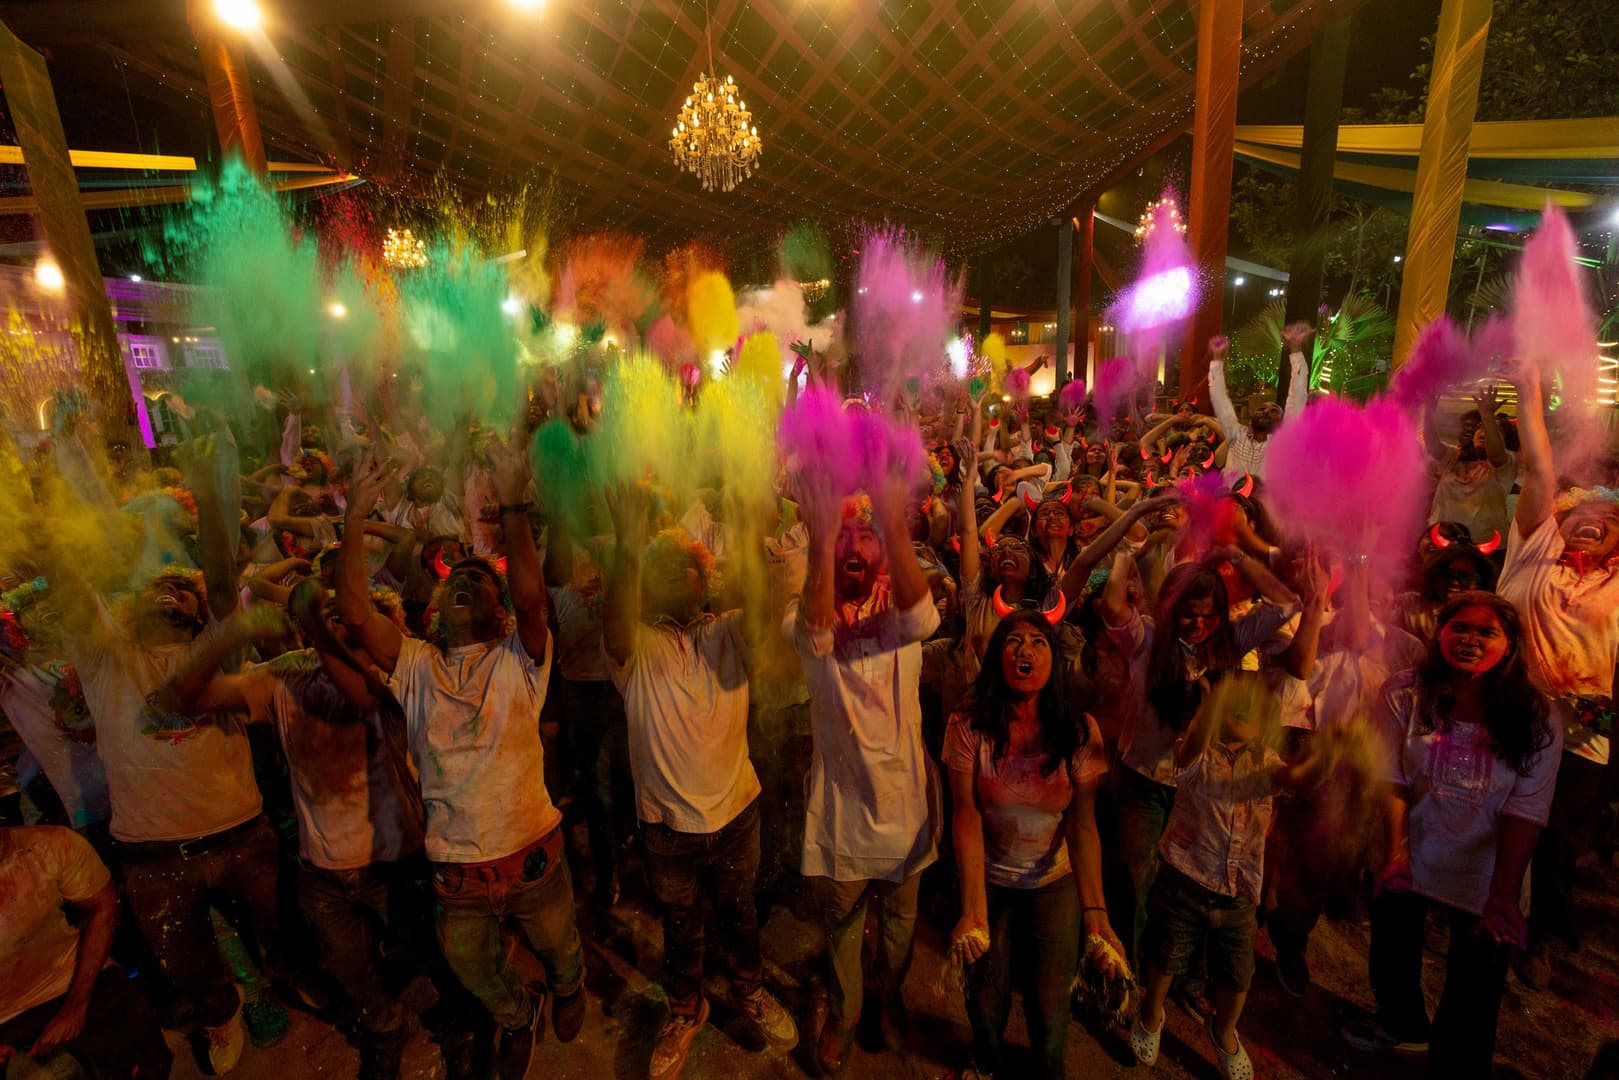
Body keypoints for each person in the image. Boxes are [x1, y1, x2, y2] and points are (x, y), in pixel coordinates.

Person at [334, 442, 584, 1080]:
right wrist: (354, 517)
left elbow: (534, 604)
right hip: (457, 874)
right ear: (432, 612)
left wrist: (516, 504)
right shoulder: (416, 666)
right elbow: (357, 615)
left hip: (532, 853)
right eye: (457, 581)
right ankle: (514, 1015)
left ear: (499, 613)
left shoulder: (518, 658)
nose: (468, 580)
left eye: (483, 580)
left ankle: (568, 987)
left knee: (560, 946)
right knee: (473, 968)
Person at [46, 439, 292, 1073]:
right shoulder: (106, 658)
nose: (172, 590)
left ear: (200, 611)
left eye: (185, 588)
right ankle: (220, 1013)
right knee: (182, 959)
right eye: (161, 583)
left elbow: (218, 558)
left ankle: (271, 987)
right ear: (131, 607)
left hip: (243, 835)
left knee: (280, 932)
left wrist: (212, 500)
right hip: (153, 854)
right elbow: (71, 591)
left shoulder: (216, 650)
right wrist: (48, 509)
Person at [156, 586, 439, 1080]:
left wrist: (313, 622)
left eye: (347, 613)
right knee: (352, 972)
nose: (337, 617)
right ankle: (385, 1029)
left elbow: (355, 694)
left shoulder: (398, 672)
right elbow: (183, 699)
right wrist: (232, 634)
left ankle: (457, 1025)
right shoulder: (287, 679)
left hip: (395, 858)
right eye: (327, 612)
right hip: (322, 871)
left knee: (428, 951)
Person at [601, 481, 798, 1080]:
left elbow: (764, 615)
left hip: (737, 813)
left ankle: (747, 989)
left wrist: (755, 518)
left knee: (740, 915)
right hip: (666, 827)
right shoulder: (634, 647)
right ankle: (687, 1007)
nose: (663, 576)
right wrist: (628, 543)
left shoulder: (726, 630)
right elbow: (613, 621)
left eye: (678, 566)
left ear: (702, 578)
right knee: (680, 927)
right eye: (651, 569)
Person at [1343, 593, 1558, 1075]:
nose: (1470, 639)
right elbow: (1391, 778)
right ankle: (1403, 1025)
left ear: (1511, 645)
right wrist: (1396, 854)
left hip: (1489, 871)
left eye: (1487, 633)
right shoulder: (1405, 693)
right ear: (1439, 633)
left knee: (1476, 990)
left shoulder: (1538, 717)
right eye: (1460, 627)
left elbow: (1526, 810)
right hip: (1412, 849)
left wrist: (1503, 893)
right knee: (1393, 952)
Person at [791, 455, 941, 1076]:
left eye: (866, 534)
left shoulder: (902, 615)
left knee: (901, 929)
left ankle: (887, 996)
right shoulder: (804, 616)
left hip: (906, 808)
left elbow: (921, 614)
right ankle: (846, 1013)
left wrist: (891, 515)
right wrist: (822, 538)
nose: (856, 544)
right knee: (844, 931)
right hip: (843, 813)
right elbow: (817, 635)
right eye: (844, 535)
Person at [945, 611, 1122, 1079]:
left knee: (1050, 1002)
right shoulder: (967, 724)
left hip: (1053, 880)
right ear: (997, 658)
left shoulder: (1080, 731)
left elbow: (1083, 826)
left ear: (1052, 661)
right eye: (1014, 642)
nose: (1026, 651)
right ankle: (985, 1060)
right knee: (984, 992)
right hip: (991, 874)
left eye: (1038, 643)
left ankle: (1049, 1070)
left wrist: (1097, 919)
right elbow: (966, 815)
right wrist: (972, 909)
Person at [1131, 675, 1335, 1080]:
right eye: (1235, 702)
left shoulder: (1268, 763)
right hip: (1185, 881)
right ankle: (1152, 1013)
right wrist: (1208, 705)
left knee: (1237, 975)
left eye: (1254, 707)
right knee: (1167, 957)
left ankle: (1223, 1031)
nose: (1243, 710)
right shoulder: (1199, 751)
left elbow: (1299, 779)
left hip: (1240, 892)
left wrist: (1332, 752)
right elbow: (1186, 755)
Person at [1494, 365, 1619, 989]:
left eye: (1607, 517)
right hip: (1509, 713)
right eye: (1578, 513)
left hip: (1583, 736)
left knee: (1559, 841)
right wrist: (1528, 392)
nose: (1589, 520)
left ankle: (1539, 935)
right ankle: (1484, 911)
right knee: (1494, 816)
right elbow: (1540, 472)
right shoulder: (1534, 545)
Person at [0, 824, 172, 1079]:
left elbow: (104, 906)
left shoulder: (46, 846)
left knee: (145, 1060)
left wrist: (76, 1005)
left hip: (63, 977)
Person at [1207, 325, 1311, 481]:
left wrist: (1295, 350)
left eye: (1273, 411)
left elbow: (1297, 397)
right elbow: (1220, 400)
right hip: (1233, 503)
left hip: (1265, 505)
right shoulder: (1236, 435)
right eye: (1262, 408)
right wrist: (1217, 360)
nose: (1266, 412)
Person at [1424, 386, 1514, 543]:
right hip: (1443, 541)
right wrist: (1429, 410)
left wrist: (1487, 416)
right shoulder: (1453, 457)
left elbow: (1496, 454)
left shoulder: (1504, 465)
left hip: (1485, 548)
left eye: (1496, 430)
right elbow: (1432, 444)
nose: (1484, 432)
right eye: (1480, 428)